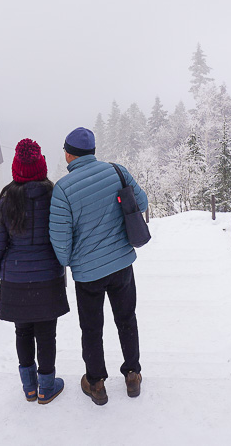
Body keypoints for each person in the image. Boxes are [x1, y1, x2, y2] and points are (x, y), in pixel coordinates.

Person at [49, 127, 148, 406]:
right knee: (126, 319)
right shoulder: (117, 171)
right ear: (92, 152)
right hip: (121, 265)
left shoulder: (63, 190)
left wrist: (69, 260)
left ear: (69, 154)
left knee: (92, 328)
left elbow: (60, 237)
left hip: (88, 273)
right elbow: (142, 202)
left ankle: (96, 383)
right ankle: (132, 374)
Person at [0, 139, 69, 404]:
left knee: (23, 332)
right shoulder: (54, 195)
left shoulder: (6, 199)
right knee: (46, 333)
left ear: (16, 169)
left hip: (16, 279)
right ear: (41, 165)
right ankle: (47, 386)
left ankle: (29, 387)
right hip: (48, 276)